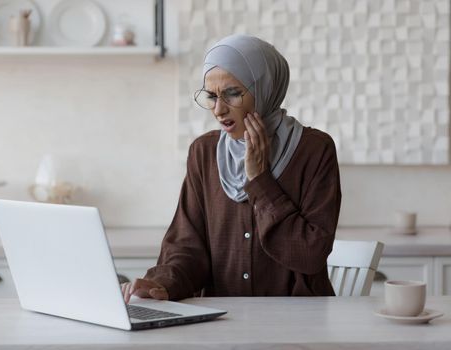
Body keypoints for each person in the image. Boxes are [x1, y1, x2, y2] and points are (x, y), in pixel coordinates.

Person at [122, 34, 341, 302]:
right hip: (221, 322)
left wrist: (260, 180)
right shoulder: (203, 153)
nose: (218, 109)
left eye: (232, 94)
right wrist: (162, 284)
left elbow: (310, 254)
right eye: (212, 96)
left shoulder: (314, 150)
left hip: (299, 323)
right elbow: (188, 248)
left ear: (265, 88)